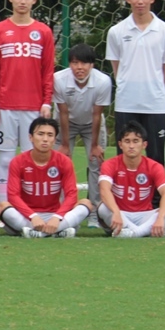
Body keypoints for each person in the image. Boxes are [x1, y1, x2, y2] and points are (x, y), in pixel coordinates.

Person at [0, 0, 55, 203]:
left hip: (34, 107)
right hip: (5, 107)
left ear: (34, 0)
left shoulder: (43, 32)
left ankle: (27, 205)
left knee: (31, 159)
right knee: (5, 160)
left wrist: (46, 102)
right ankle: (5, 207)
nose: (22, 1)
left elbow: (48, 70)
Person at [106, 0, 165, 165]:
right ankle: (122, 194)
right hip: (126, 103)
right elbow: (117, 68)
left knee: (156, 156)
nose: (140, 1)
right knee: (124, 157)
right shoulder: (116, 31)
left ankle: (156, 195)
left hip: (154, 104)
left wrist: (152, 88)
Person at [0, 117, 91, 238]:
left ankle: (36, 233)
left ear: (54, 139)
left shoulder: (64, 161)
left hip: (54, 215)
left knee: (86, 203)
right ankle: (57, 232)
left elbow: (71, 194)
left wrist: (58, 217)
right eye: (40, 134)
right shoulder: (18, 162)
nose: (45, 139)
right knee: (2, 206)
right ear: (31, 137)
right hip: (27, 215)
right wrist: (32, 216)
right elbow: (13, 195)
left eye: (50, 135)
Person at [52, 44, 112, 225]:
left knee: (96, 164)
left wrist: (94, 145)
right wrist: (63, 143)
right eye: (75, 63)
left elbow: (96, 114)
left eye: (84, 63)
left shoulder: (103, 81)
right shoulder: (59, 79)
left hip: (91, 123)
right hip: (66, 122)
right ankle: (63, 210)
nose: (80, 68)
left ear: (92, 65)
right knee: (59, 164)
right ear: (69, 64)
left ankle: (94, 212)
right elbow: (62, 112)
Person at [96, 122, 165, 237]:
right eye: (127, 141)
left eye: (136, 141)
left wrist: (160, 218)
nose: (131, 146)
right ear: (120, 144)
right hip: (120, 215)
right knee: (102, 208)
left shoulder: (154, 166)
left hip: (145, 215)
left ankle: (132, 233)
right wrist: (116, 212)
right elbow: (104, 190)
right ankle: (149, 231)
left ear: (144, 145)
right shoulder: (110, 164)